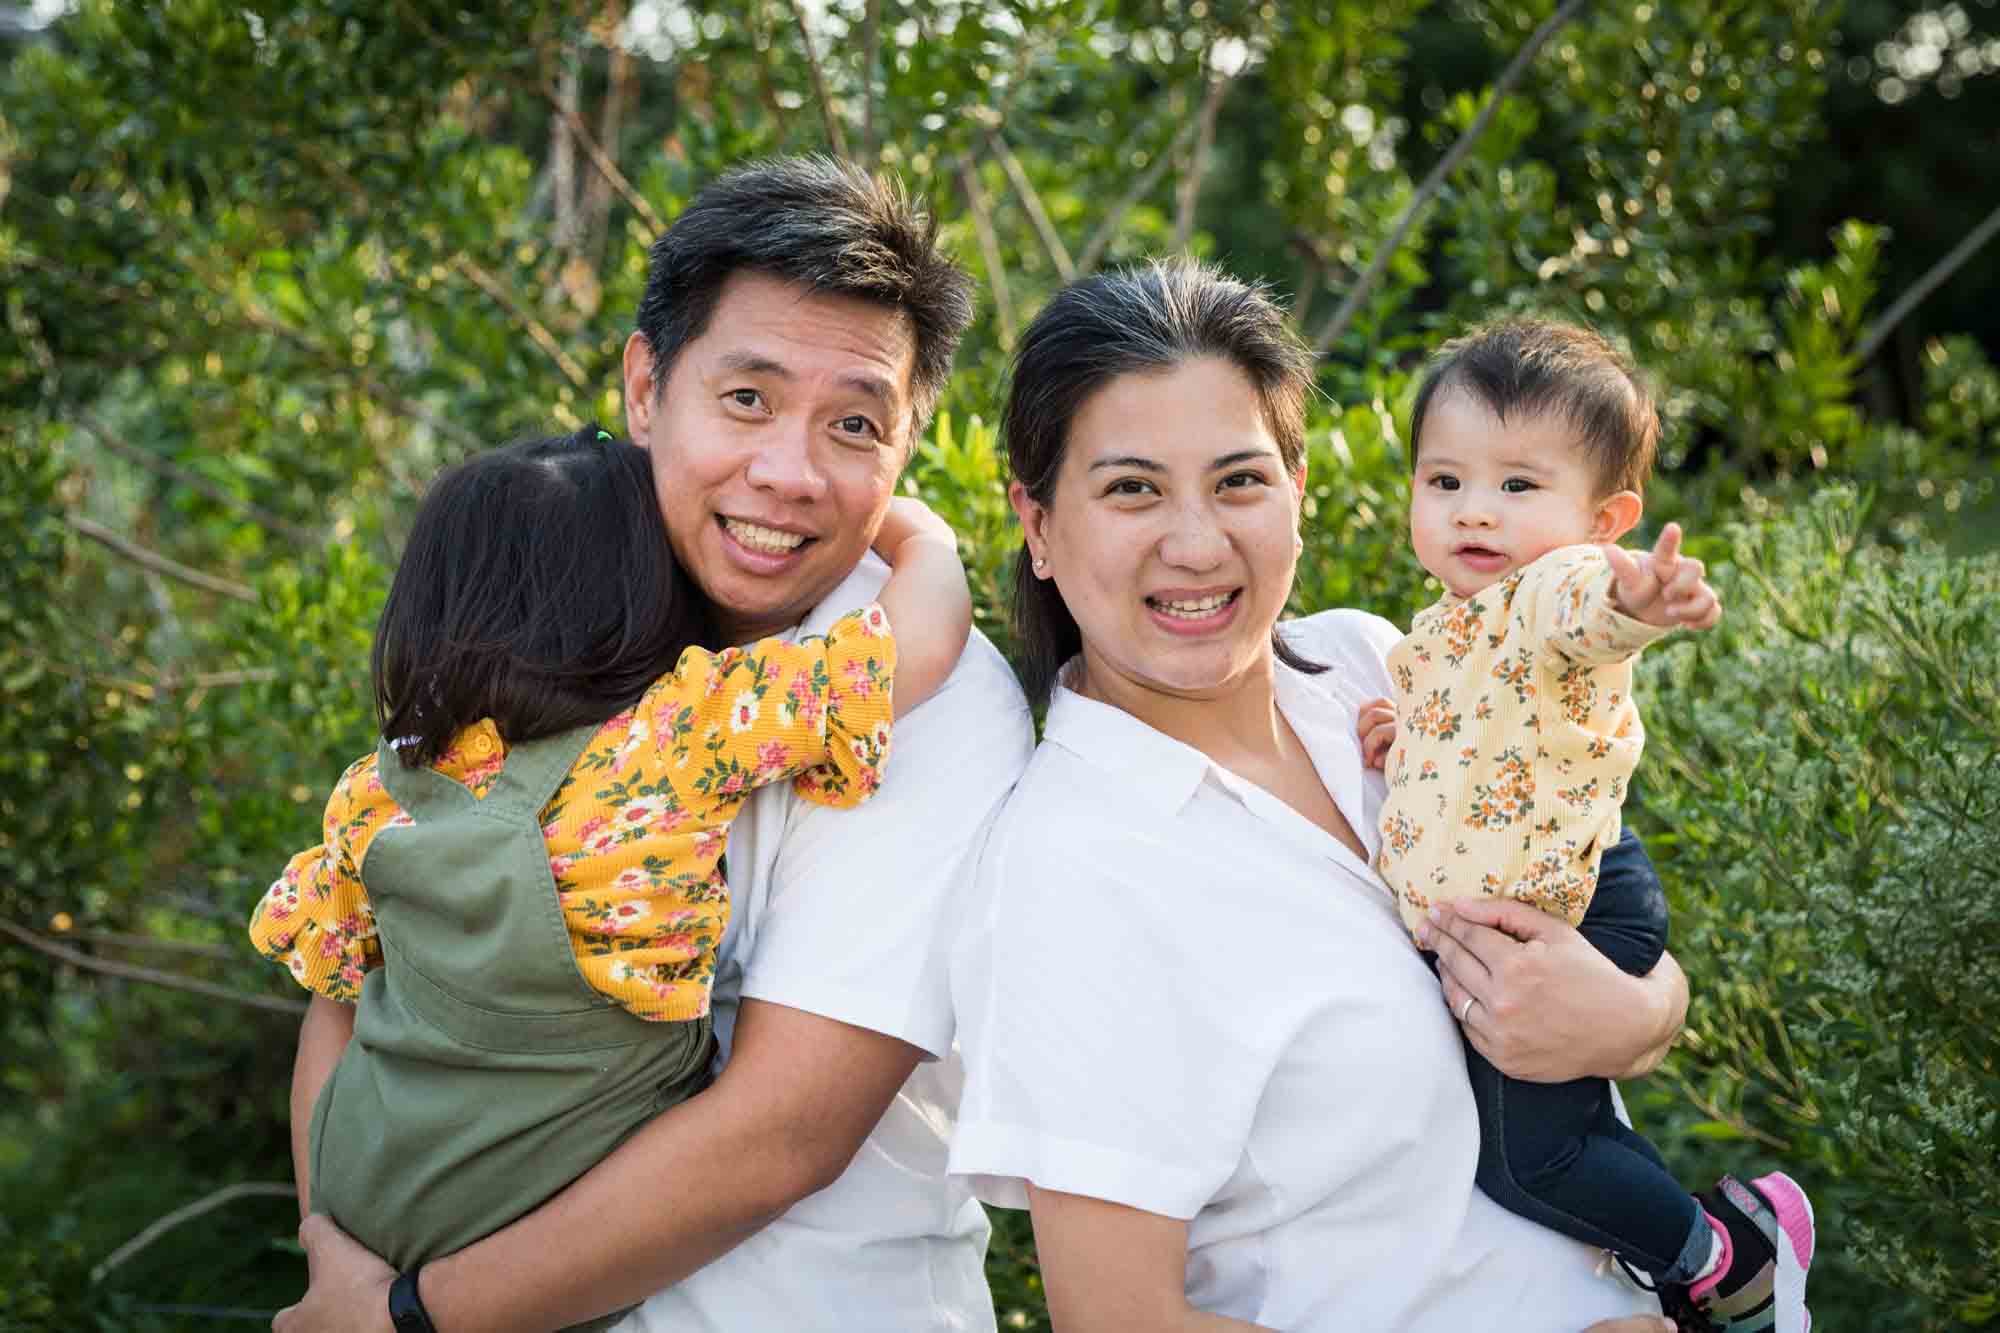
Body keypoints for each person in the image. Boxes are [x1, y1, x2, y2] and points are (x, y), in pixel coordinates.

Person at [271, 157, 1036, 1333]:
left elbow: (778, 1137)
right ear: (645, 386)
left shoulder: (932, 708)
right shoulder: (550, 630)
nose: (786, 472)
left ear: (906, 449)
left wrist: (401, 1313)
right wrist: (339, 1247)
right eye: (746, 400)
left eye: (852, 424)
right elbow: (354, 984)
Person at [948, 259, 1693, 1332]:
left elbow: (1596, 900)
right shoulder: (1069, 872)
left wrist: (1632, 1016)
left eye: (1239, 480)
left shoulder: (1372, 665)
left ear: (1298, 488)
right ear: (1038, 524)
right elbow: (1121, 1320)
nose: (1196, 543)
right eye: (1130, 488)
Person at [248, 425, 971, 1331]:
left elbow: (334, 997)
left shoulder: (380, 787)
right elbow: (922, 643)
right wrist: (919, 536)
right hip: (514, 1240)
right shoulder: (674, 739)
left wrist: (327, 1236)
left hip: (364, 1212)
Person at [1357, 320, 1814, 1331]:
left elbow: (1583, 612)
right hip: (1541, 899)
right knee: (1529, 1150)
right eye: (1444, 482)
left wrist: (1638, 598)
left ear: (1600, 518)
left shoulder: (1548, 587)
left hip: (1578, 897)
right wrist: (1410, 735)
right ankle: (1692, 1256)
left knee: (1530, 1159)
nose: (1474, 510)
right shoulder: (1445, 623)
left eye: (1518, 486)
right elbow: (1484, 729)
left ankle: (1721, 1256)